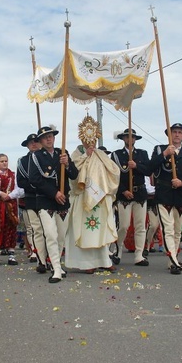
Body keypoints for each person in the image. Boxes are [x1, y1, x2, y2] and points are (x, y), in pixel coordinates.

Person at [65, 118, 120, 273]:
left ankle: (104, 260)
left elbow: (113, 172)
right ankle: (86, 263)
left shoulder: (101, 154)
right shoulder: (76, 154)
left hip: (100, 198)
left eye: (94, 138)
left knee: (101, 230)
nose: (91, 141)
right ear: (82, 137)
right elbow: (73, 174)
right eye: (88, 137)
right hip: (83, 197)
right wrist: (85, 157)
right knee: (86, 231)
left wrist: (108, 193)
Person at [27, 125, 79, 283]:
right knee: (50, 234)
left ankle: (58, 264)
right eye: (45, 137)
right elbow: (34, 179)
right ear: (40, 141)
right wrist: (54, 193)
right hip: (45, 200)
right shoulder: (36, 156)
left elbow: (74, 175)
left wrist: (68, 163)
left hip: (63, 201)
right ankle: (56, 268)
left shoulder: (62, 153)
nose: (49, 139)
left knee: (61, 236)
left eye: (51, 136)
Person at [150, 123, 182, 274]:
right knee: (168, 229)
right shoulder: (159, 149)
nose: (177, 135)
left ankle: (173, 257)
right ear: (169, 135)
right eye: (174, 132)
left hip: (180, 194)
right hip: (163, 193)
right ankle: (173, 261)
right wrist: (164, 154)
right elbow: (149, 167)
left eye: (180, 132)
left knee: (177, 230)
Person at [110, 128, 151, 266]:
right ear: (123, 139)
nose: (130, 139)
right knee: (124, 225)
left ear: (135, 139)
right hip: (124, 194)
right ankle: (118, 248)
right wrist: (122, 191)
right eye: (127, 137)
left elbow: (148, 170)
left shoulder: (142, 154)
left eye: (132, 137)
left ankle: (139, 255)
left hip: (139, 193)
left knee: (140, 225)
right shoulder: (116, 155)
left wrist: (136, 166)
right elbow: (114, 176)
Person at [16, 133, 42, 263]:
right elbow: (21, 182)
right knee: (32, 227)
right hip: (30, 198)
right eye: (31, 142)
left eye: (36, 141)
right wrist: (36, 187)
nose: (34, 143)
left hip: (46, 198)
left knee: (47, 228)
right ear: (27, 145)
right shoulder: (22, 161)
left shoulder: (45, 158)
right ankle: (34, 250)